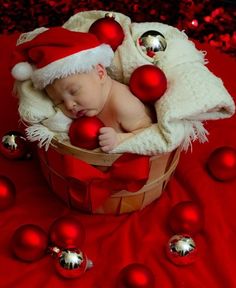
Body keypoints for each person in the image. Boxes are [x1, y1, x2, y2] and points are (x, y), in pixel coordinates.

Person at [11, 27, 152, 152]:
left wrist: (119, 139)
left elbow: (149, 132)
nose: (69, 105)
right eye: (59, 101)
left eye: (74, 91)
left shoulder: (123, 105)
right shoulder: (89, 104)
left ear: (100, 73)